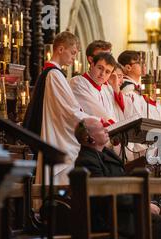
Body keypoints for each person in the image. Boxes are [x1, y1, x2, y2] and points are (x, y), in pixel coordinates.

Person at [74, 118, 161, 239]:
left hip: (120, 210)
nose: (107, 130)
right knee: (155, 224)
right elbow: (106, 194)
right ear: (90, 138)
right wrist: (142, 205)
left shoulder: (107, 155)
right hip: (105, 215)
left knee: (157, 222)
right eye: (102, 129)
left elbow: (124, 184)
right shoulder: (87, 161)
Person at [23, 31, 95, 185]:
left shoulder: (51, 73)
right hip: (58, 139)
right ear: (61, 49)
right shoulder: (54, 75)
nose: (74, 57)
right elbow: (69, 111)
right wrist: (95, 122)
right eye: (73, 52)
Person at [70, 52, 117, 121]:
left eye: (107, 72)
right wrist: (112, 124)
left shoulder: (106, 88)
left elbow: (112, 114)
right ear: (92, 65)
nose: (102, 74)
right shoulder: (78, 82)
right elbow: (94, 110)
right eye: (100, 68)